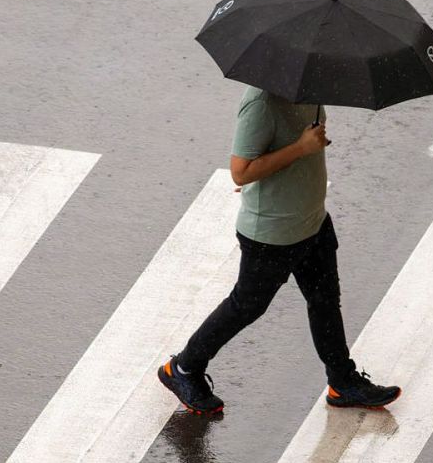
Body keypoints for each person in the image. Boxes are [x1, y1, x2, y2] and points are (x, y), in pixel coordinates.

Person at [158, 86, 401, 415]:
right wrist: (301, 148)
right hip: (271, 233)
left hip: (312, 221)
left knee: (325, 300)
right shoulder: (260, 103)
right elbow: (240, 171)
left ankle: (342, 381)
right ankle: (183, 368)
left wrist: (308, 147)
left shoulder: (311, 85)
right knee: (247, 306)